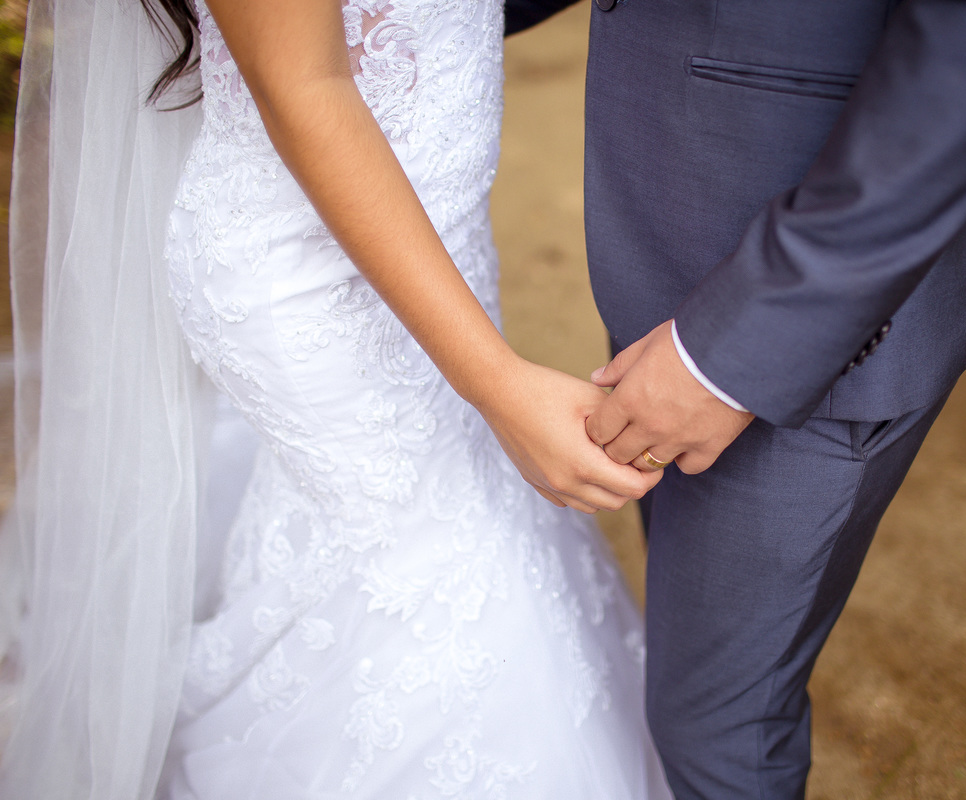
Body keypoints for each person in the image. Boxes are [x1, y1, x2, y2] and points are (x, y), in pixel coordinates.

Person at [0, 0, 674, 798]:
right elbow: (303, 85)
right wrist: (496, 381)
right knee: (448, 573)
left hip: (431, 235)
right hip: (311, 275)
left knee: (372, 558)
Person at [505, 0, 966, 796]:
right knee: (700, 673)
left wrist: (727, 356)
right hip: (670, 246)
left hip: (788, 313)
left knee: (717, 729)